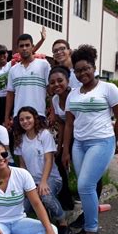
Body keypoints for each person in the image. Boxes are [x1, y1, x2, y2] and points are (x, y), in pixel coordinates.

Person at [62, 44, 118, 234]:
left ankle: (91, 230)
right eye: (78, 70)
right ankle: (87, 225)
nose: (82, 73)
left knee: (85, 185)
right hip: (79, 144)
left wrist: (113, 141)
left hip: (101, 142)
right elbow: (69, 123)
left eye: (86, 68)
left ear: (93, 67)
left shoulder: (108, 89)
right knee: (85, 188)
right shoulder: (73, 94)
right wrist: (65, 149)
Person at [13, 106, 70, 234]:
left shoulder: (44, 134)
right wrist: (25, 185)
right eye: (21, 119)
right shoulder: (20, 138)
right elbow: (22, 165)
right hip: (32, 181)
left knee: (46, 196)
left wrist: (43, 181)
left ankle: (62, 222)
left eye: (28, 118)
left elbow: (49, 159)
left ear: (35, 118)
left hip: (51, 178)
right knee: (22, 208)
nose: (25, 122)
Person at [4, 34, 51, 129]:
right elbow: (10, 94)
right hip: (19, 116)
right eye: (21, 46)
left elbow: (51, 90)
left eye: (27, 45)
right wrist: (6, 116)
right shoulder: (13, 70)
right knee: (19, 144)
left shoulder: (44, 65)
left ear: (32, 47)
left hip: (39, 114)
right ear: (17, 49)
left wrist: (53, 112)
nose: (24, 48)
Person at [49, 66, 76, 211]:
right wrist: (59, 148)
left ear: (67, 81)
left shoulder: (74, 96)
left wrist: (66, 150)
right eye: (52, 82)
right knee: (58, 160)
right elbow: (61, 124)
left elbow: (70, 124)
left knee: (78, 168)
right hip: (67, 135)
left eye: (60, 81)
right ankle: (66, 199)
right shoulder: (55, 99)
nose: (56, 85)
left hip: (80, 136)